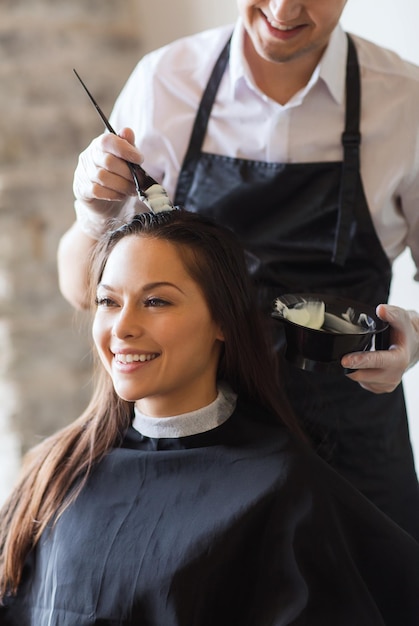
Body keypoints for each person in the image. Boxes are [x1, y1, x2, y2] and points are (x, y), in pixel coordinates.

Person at [57, 0, 419, 538]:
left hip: (353, 444)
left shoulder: (406, 101)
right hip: (200, 445)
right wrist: (94, 217)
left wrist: (414, 341)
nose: (283, 8)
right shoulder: (165, 83)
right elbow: (80, 289)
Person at [2, 208, 419, 625]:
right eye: (108, 301)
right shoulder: (54, 471)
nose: (122, 326)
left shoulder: (282, 491)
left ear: (223, 320)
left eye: (156, 301)